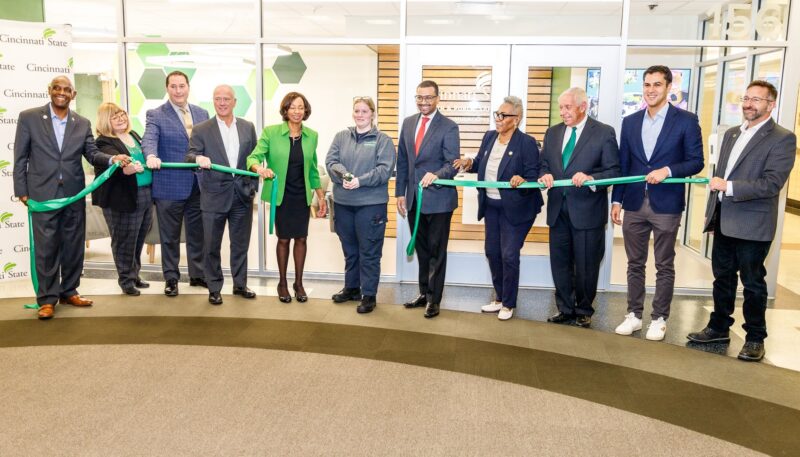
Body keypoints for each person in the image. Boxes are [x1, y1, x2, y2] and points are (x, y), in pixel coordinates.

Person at [688, 80, 796, 362]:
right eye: (746, 98)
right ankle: (719, 327)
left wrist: (729, 187)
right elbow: (719, 176)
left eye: (757, 100)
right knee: (722, 279)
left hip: (753, 224)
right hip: (724, 219)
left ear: (770, 104)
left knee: (753, 283)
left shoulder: (782, 138)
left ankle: (755, 338)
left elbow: (772, 184)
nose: (748, 104)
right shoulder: (732, 134)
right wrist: (713, 207)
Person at [13, 75, 130, 320]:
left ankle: (70, 290)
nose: (62, 92)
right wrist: (21, 191)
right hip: (42, 195)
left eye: (67, 89)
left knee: (73, 245)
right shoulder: (29, 118)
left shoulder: (81, 122)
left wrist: (112, 159)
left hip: (74, 194)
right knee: (46, 249)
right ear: (50, 90)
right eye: (57, 88)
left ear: (73, 95)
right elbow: (20, 158)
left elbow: (91, 153)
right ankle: (47, 299)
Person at [610, 65, 704, 341]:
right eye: (647, 84)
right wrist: (617, 199)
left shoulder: (686, 121)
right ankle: (634, 315)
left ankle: (659, 318)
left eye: (657, 85)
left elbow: (696, 161)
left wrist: (669, 171)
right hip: (634, 202)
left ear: (668, 88)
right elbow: (624, 166)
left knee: (664, 264)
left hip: (666, 204)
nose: (651, 90)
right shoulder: (630, 122)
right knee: (634, 263)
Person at [453, 96, 543, 321]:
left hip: (517, 208)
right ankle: (500, 298)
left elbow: (534, 176)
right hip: (492, 205)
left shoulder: (527, 143)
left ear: (517, 119)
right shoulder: (489, 136)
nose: (499, 119)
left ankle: (509, 303)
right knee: (492, 252)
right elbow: (482, 162)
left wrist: (522, 179)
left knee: (509, 254)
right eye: (497, 114)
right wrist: (469, 163)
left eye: (504, 115)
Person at [539, 87, 620, 328]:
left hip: (587, 210)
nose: (562, 112)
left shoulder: (604, 133)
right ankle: (564, 308)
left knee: (586, 264)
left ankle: (584, 309)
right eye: (560, 107)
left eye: (567, 107)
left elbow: (614, 171)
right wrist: (544, 175)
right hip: (557, 210)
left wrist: (592, 178)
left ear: (583, 107)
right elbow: (543, 164)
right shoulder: (552, 133)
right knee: (560, 262)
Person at [247, 92, 327, 303]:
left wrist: (321, 196)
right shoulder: (271, 132)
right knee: (283, 239)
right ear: (285, 110)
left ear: (306, 110)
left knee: (301, 238)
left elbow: (312, 169)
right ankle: (282, 282)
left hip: (302, 195)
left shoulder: (312, 136)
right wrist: (259, 169)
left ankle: (298, 283)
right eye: (292, 107)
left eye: (301, 107)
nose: (297, 111)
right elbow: (254, 157)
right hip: (280, 195)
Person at [186, 85, 258, 306]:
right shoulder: (201, 129)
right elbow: (190, 155)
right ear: (213, 101)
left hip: (241, 197)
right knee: (211, 245)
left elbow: (255, 158)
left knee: (240, 244)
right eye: (218, 99)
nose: (222, 103)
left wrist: (252, 188)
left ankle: (240, 284)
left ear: (235, 102)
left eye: (226, 99)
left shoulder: (247, 127)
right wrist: (197, 159)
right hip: (213, 196)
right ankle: (214, 287)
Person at [325, 97, 396, 314]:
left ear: (373, 114)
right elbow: (331, 161)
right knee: (350, 249)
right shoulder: (341, 137)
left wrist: (360, 181)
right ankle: (352, 288)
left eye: (365, 111)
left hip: (371, 205)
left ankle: (369, 295)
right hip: (344, 203)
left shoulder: (383, 140)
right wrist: (346, 176)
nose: (360, 115)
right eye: (357, 110)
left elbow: (385, 170)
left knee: (370, 251)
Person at [396, 80, 460, 319]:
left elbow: (452, 164)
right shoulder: (409, 122)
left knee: (436, 251)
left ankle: (434, 299)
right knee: (422, 250)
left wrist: (437, 175)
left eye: (428, 98)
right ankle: (423, 292)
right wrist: (400, 193)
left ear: (438, 99)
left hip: (439, 200)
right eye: (419, 98)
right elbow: (403, 160)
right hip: (413, 199)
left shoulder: (449, 127)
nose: (423, 102)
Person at [143, 70, 210, 297]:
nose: (178, 90)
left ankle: (198, 274)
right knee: (169, 236)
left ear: (188, 87)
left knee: (197, 234)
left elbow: (208, 145)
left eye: (182, 86)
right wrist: (150, 156)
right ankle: (171, 278)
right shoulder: (156, 114)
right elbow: (149, 139)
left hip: (198, 185)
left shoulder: (202, 113)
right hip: (170, 186)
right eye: (173, 86)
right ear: (167, 88)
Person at [91, 103, 153, 296]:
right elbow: (115, 163)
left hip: (144, 193)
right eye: (114, 116)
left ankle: (134, 274)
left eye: (122, 114)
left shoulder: (133, 135)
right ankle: (126, 280)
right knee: (124, 240)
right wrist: (127, 167)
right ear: (104, 121)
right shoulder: (103, 142)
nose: (121, 118)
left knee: (138, 238)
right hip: (122, 198)